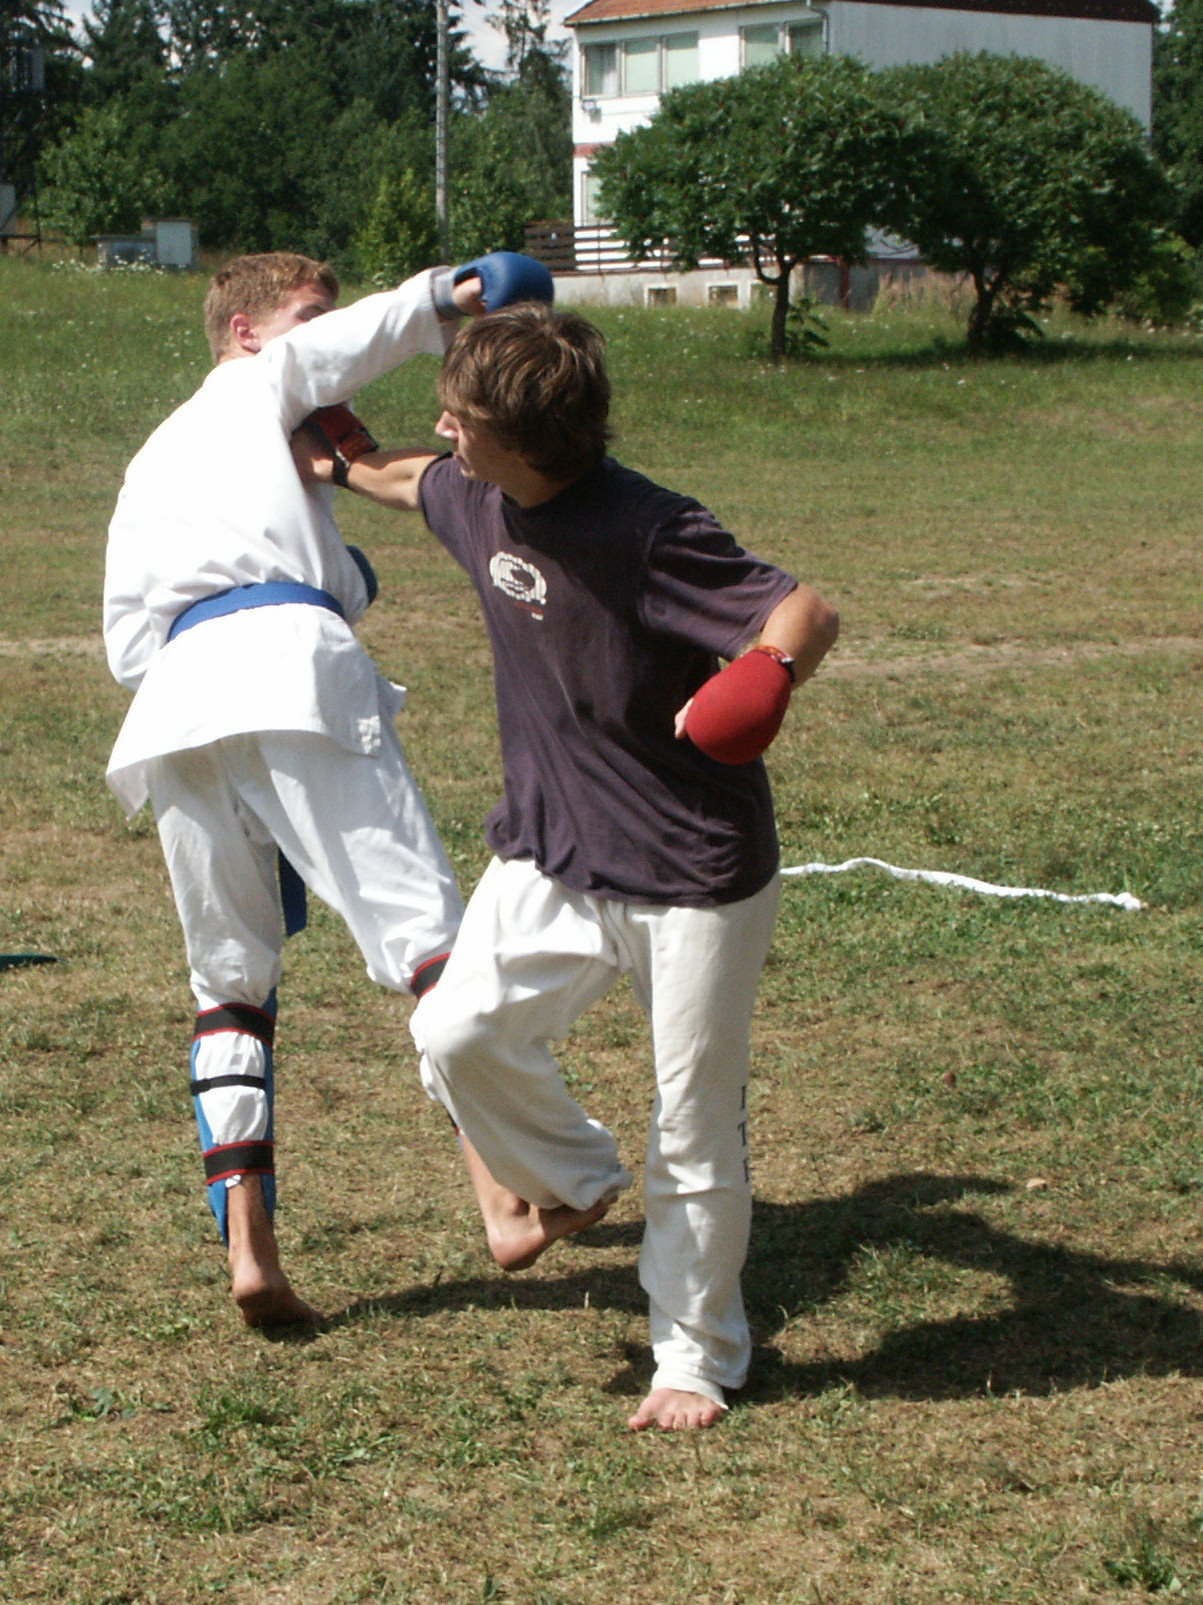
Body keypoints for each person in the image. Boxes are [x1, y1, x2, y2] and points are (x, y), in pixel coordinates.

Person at [294, 303, 839, 1430]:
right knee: (454, 1032)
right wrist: (336, 458)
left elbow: (803, 609)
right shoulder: (475, 493)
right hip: (553, 849)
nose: (444, 428)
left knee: (693, 1121)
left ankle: (695, 1357)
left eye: (462, 417)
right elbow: (410, 479)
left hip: (692, 871)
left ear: (527, 439)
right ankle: (579, 1181)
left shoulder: (649, 529)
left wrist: (766, 675)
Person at [102, 250, 570, 1330]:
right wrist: (454, 294)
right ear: (246, 334)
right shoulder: (255, 384)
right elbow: (338, 354)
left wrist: (333, 552)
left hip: (173, 708)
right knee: (431, 941)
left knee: (228, 984)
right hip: (290, 667)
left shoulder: (153, 466)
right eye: (309, 317)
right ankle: (505, 1199)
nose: (326, 336)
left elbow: (129, 644)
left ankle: (249, 1250)